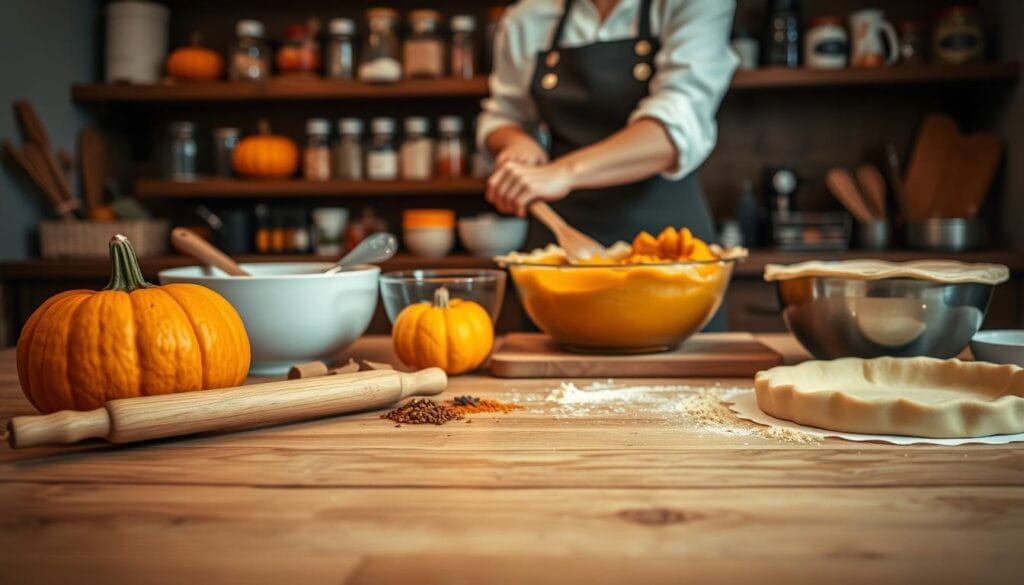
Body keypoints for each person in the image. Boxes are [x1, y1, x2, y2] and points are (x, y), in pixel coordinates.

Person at [478, 0, 738, 330]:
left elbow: (675, 126)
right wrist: (515, 141)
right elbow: (502, 115)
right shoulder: (527, 18)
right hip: (559, 248)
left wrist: (562, 173)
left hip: (676, 255)